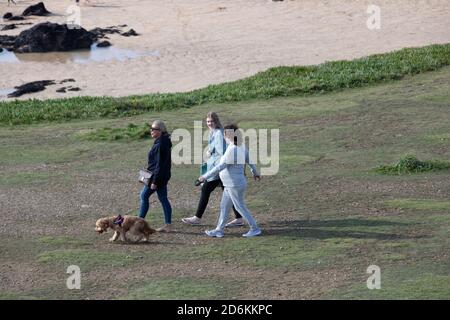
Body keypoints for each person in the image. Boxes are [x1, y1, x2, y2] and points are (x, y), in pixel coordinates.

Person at [198, 124, 262, 238]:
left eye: (224, 135)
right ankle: (219, 230)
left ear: (228, 135)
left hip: (234, 184)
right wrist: (255, 172)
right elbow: (249, 160)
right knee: (224, 206)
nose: (223, 137)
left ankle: (255, 228)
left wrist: (204, 176)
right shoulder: (240, 146)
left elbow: (220, 166)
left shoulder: (232, 149)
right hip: (230, 184)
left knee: (239, 207)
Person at [182, 112, 244, 227]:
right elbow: (216, 149)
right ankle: (239, 218)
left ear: (216, 121)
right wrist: (210, 151)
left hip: (218, 170)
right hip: (218, 169)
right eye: (208, 121)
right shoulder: (213, 132)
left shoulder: (219, 134)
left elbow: (223, 153)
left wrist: (216, 167)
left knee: (206, 190)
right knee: (230, 193)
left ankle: (197, 218)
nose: (209, 123)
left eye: (211, 121)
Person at [139, 120, 173, 232]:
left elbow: (159, 165)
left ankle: (139, 222)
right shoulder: (162, 141)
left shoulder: (161, 144)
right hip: (160, 176)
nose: (151, 131)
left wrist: (154, 181)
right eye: (151, 128)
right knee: (163, 198)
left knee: (144, 196)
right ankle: (168, 225)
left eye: (153, 129)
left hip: (157, 176)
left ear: (161, 131)